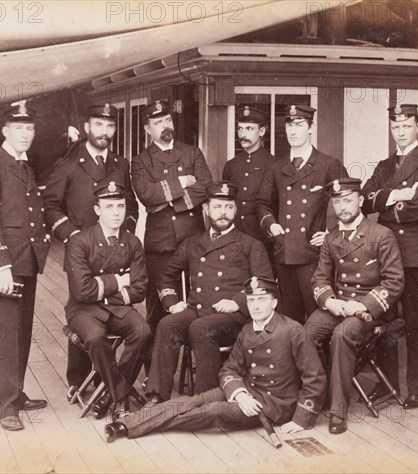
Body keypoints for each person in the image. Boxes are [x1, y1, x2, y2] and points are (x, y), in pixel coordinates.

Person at [104, 276, 312, 442]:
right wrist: (239, 393)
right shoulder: (248, 329)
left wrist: (302, 419)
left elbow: (314, 377)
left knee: (209, 412)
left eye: (262, 300)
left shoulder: (293, 331)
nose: (255, 306)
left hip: (272, 404)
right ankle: (130, 422)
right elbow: (229, 369)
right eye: (251, 300)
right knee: (194, 401)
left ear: (274, 302)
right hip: (246, 392)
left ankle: (128, 426)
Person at [143, 182, 274, 403]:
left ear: (236, 209)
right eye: (217, 207)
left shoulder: (250, 244)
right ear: (206, 209)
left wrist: (237, 302)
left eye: (228, 207)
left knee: (201, 328)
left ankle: (205, 400)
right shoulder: (192, 243)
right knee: (168, 324)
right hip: (197, 309)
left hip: (233, 317)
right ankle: (156, 396)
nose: (223, 213)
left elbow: (265, 283)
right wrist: (172, 303)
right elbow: (166, 276)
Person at [43, 103, 139, 394]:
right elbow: (50, 205)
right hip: (81, 253)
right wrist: (72, 237)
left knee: (116, 309)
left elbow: (131, 205)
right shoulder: (69, 163)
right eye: (99, 125)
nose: (105, 132)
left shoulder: (121, 164)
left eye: (110, 126)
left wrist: (125, 237)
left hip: (114, 252)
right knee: (83, 309)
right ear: (87, 127)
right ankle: (78, 379)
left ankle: (108, 380)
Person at [300, 177, 404, 434]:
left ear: (360, 201)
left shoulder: (381, 235)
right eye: (337, 202)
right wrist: (330, 302)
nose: (342, 207)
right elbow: (320, 278)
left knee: (343, 334)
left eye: (347, 200)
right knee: (307, 331)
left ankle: (338, 412)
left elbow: (394, 282)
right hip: (340, 307)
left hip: (371, 312)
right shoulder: (331, 237)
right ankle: (315, 399)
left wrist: (361, 306)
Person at [0, 100, 50, 431]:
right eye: (18, 128)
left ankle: (16, 394)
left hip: (28, 259)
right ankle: (5, 406)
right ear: (5, 131)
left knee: (22, 332)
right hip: (8, 263)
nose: (25, 134)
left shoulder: (24, 166)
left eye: (29, 128)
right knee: (7, 334)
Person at [361, 104, 418, 409]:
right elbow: (364, 201)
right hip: (384, 251)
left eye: (406, 126)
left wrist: (386, 202)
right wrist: (397, 195)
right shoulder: (385, 166)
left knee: (415, 321)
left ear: (417, 125)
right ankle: (386, 385)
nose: (401, 132)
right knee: (383, 318)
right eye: (396, 127)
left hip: (412, 254)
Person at [130, 100, 213, 363]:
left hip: (194, 240)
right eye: (157, 122)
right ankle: (154, 370)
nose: (165, 126)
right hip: (160, 243)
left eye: (167, 120)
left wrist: (167, 200)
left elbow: (206, 188)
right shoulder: (140, 161)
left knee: (199, 299)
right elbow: (146, 195)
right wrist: (181, 182)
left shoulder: (192, 153)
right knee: (158, 305)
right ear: (147, 129)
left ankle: (199, 361)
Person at [64, 181, 150, 419]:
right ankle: (120, 396)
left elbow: (140, 288)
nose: (116, 212)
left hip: (119, 308)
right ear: (97, 210)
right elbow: (82, 292)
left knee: (142, 331)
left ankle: (106, 396)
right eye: (109, 206)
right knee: (94, 337)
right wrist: (120, 281)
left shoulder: (133, 242)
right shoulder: (79, 242)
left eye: (120, 206)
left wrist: (103, 286)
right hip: (83, 311)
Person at [257, 104, 348, 323]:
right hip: (284, 252)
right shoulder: (276, 166)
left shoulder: (328, 164)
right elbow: (262, 203)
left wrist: (330, 233)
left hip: (314, 256)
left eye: (299, 125)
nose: (293, 130)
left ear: (311, 127)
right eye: (289, 125)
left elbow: (347, 204)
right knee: (290, 319)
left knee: (319, 319)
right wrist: (271, 225)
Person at [222, 106, 276, 262]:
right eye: (240, 129)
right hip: (234, 238)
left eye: (249, 129)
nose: (243, 134)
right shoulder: (231, 165)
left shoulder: (273, 164)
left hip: (263, 239)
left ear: (262, 131)